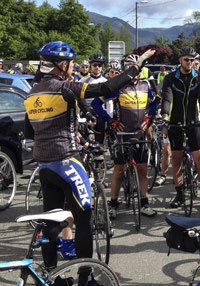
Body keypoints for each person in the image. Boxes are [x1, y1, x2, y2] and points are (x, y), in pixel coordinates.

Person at [23, 41, 154, 286]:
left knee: (51, 223)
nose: (73, 68)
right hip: (67, 162)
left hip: (45, 166)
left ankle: (53, 278)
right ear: (63, 65)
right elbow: (107, 86)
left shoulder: (32, 93)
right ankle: (86, 278)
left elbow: (31, 133)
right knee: (84, 220)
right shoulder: (64, 88)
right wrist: (136, 67)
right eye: (71, 64)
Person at [92, 54, 158, 219]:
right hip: (122, 133)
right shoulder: (117, 87)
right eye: (129, 66)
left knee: (143, 169)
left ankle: (144, 203)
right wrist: (111, 121)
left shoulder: (145, 85)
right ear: (125, 69)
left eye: (135, 66)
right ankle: (113, 204)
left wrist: (149, 118)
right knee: (119, 169)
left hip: (139, 132)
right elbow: (95, 103)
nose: (132, 69)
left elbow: (156, 101)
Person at [160, 46, 200, 210]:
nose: (190, 62)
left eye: (192, 60)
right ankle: (179, 193)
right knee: (175, 158)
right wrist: (164, 118)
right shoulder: (170, 78)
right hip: (175, 121)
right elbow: (167, 99)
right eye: (187, 59)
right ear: (180, 61)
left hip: (194, 121)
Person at [79, 53, 110, 145]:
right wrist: (79, 117)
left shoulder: (106, 82)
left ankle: (99, 148)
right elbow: (79, 99)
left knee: (100, 136)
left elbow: (109, 102)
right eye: (94, 65)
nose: (97, 67)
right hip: (86, 111)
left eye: (99, 65)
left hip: (100, 111)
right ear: (90, 66)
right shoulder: (82, 81)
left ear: (102, 66)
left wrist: (110, 117)